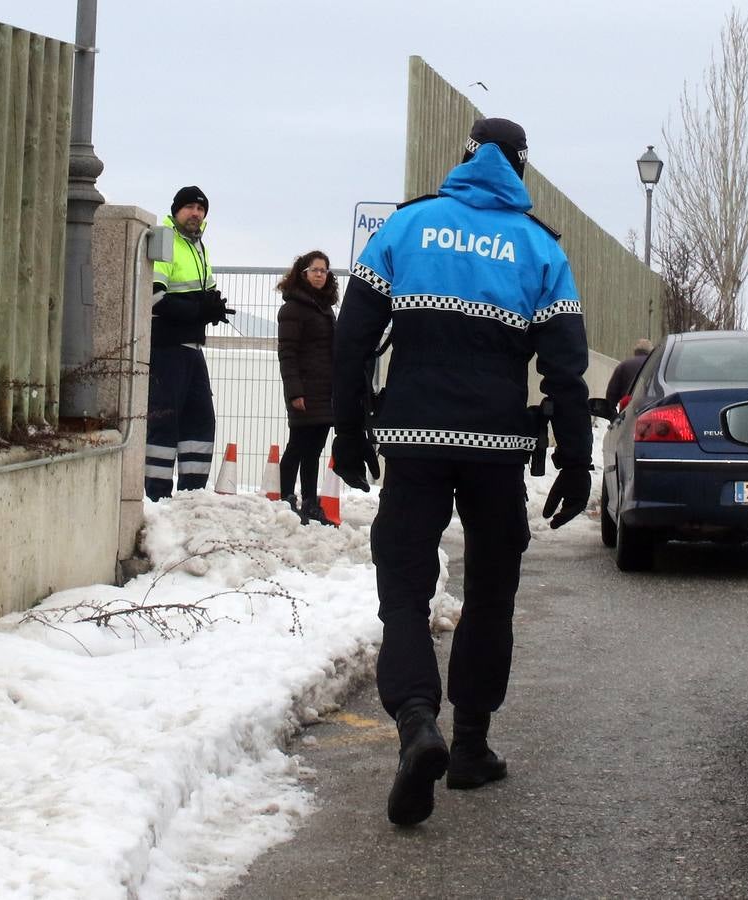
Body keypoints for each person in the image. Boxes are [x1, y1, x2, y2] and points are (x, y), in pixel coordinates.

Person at [332, 117, 592, 826]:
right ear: (520, 169)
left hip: (413, 438)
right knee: (491, 592)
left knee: (406, 588)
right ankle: (472, 747)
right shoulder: (540, 248)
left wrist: (347, 428)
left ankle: (418, 723)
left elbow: (353, 336)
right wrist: (575, 459)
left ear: (466, 158)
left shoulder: (408, 229)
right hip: (498, 448)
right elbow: (565, 370)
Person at [145, 186, 232, 501]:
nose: (196, 213)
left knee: (200, 420)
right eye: (190, 207)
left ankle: (192, 496)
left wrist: (214, 308)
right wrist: (199, 310)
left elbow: (206, 294)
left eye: (201, 208)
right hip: (167, 348)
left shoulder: (199, 247)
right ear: (176, 210)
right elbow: (154, 297)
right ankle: (156, 498)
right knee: (164, 422)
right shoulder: (167, 240)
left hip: (192, 348)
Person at [276, 250, 338, 526]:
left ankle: (311, 503)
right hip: (304, 391)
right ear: (302, 274)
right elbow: (287, 354)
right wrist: (295, 392)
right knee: (298, 446)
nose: (320, 275)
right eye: (315, 270)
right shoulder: (292, 309)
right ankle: (287, 498)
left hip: (325, 391)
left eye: (324, 271)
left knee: (314, 449)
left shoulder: (325, 309)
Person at [605, 337, 654, 407]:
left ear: (635, 351)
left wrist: (611, 409)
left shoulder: (624, 365)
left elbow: (612, 393)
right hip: (650, 408)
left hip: (629, 409)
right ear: (652, 352)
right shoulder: (656, 365)